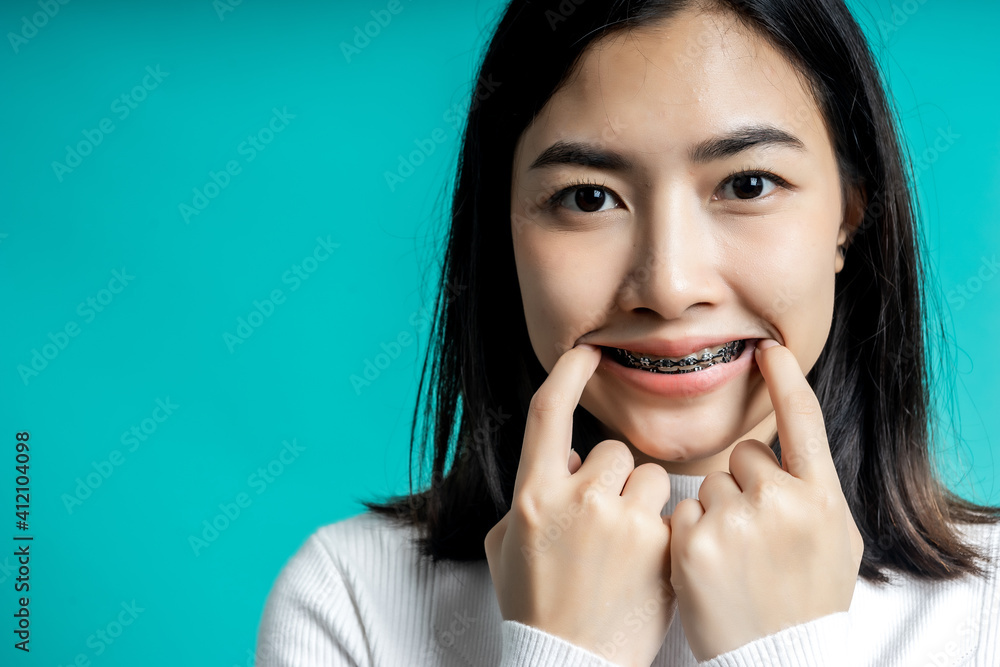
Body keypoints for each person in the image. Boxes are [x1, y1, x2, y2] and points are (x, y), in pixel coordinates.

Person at [255, 0, 1000, 664]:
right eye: (588, 197)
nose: (670, 286)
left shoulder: (985, 614)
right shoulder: (351, 597)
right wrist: (562, 651)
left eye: (747, 184)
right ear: (505, 228)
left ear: (848, 213)